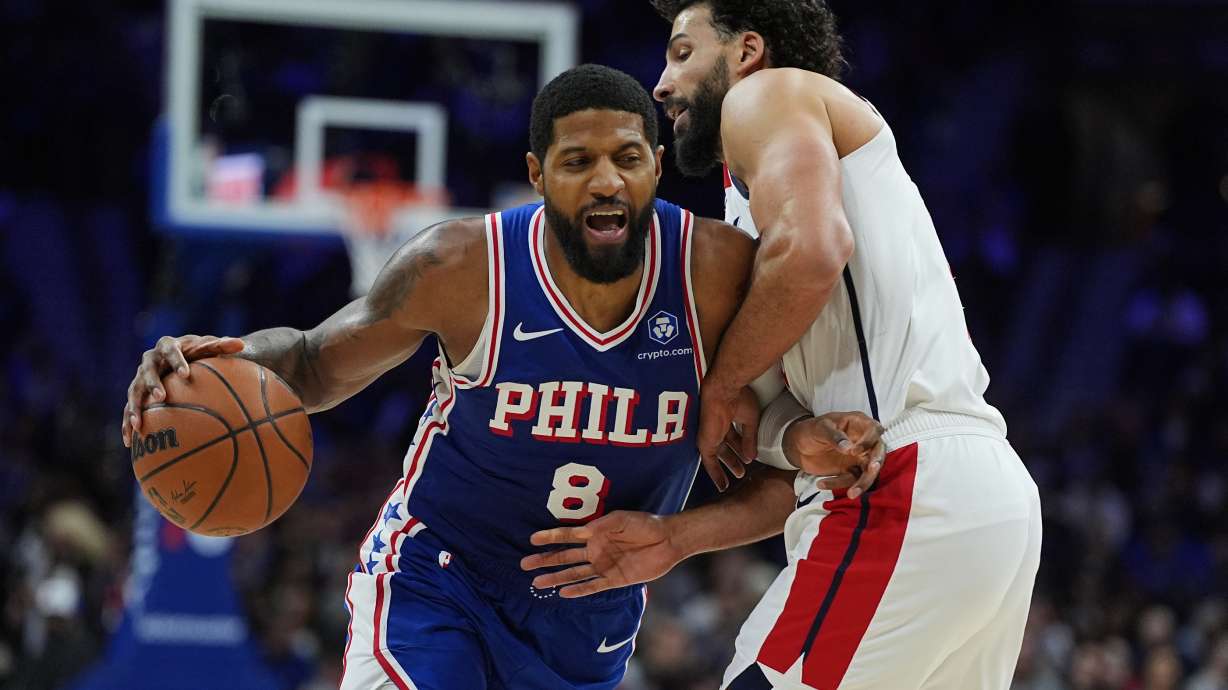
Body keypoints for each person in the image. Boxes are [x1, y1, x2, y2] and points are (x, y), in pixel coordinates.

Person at [120, 64, 881, 690]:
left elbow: (788, 468)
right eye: (577, 162)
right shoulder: (460, 267)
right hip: (436, 583)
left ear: (656, 163)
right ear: (537, 175)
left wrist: (680, 535)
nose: (607, 181)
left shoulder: (714, 276)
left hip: (586, 629)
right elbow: (313, 362)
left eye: (626, 158)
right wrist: (216, 362)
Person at [524, 3, 1044, 689]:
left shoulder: (769, 94)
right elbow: (805, 463)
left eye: (683, 53)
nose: (662, 84)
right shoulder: (764, 202)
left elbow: (814, 251)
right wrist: (678, 536)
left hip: (906, 485)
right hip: (976, 496)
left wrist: (722, 383)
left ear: (746, 51)